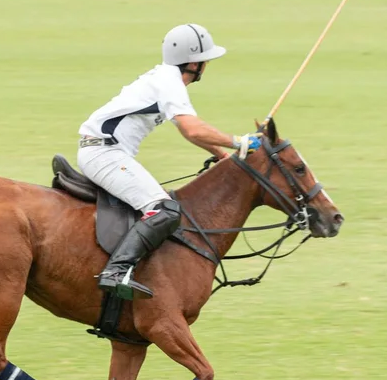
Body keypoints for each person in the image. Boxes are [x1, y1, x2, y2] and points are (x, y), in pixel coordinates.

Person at [77, 24, 262, 300]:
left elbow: (188, 129)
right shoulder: (169, 83)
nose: (206, 65)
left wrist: (223, 155)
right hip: (103, 154)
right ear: (192, 62)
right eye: (204, 60)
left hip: (106, 151)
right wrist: (238, 141)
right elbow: (193, 129)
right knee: (164, 209)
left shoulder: (166, 79)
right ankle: (116, 272)